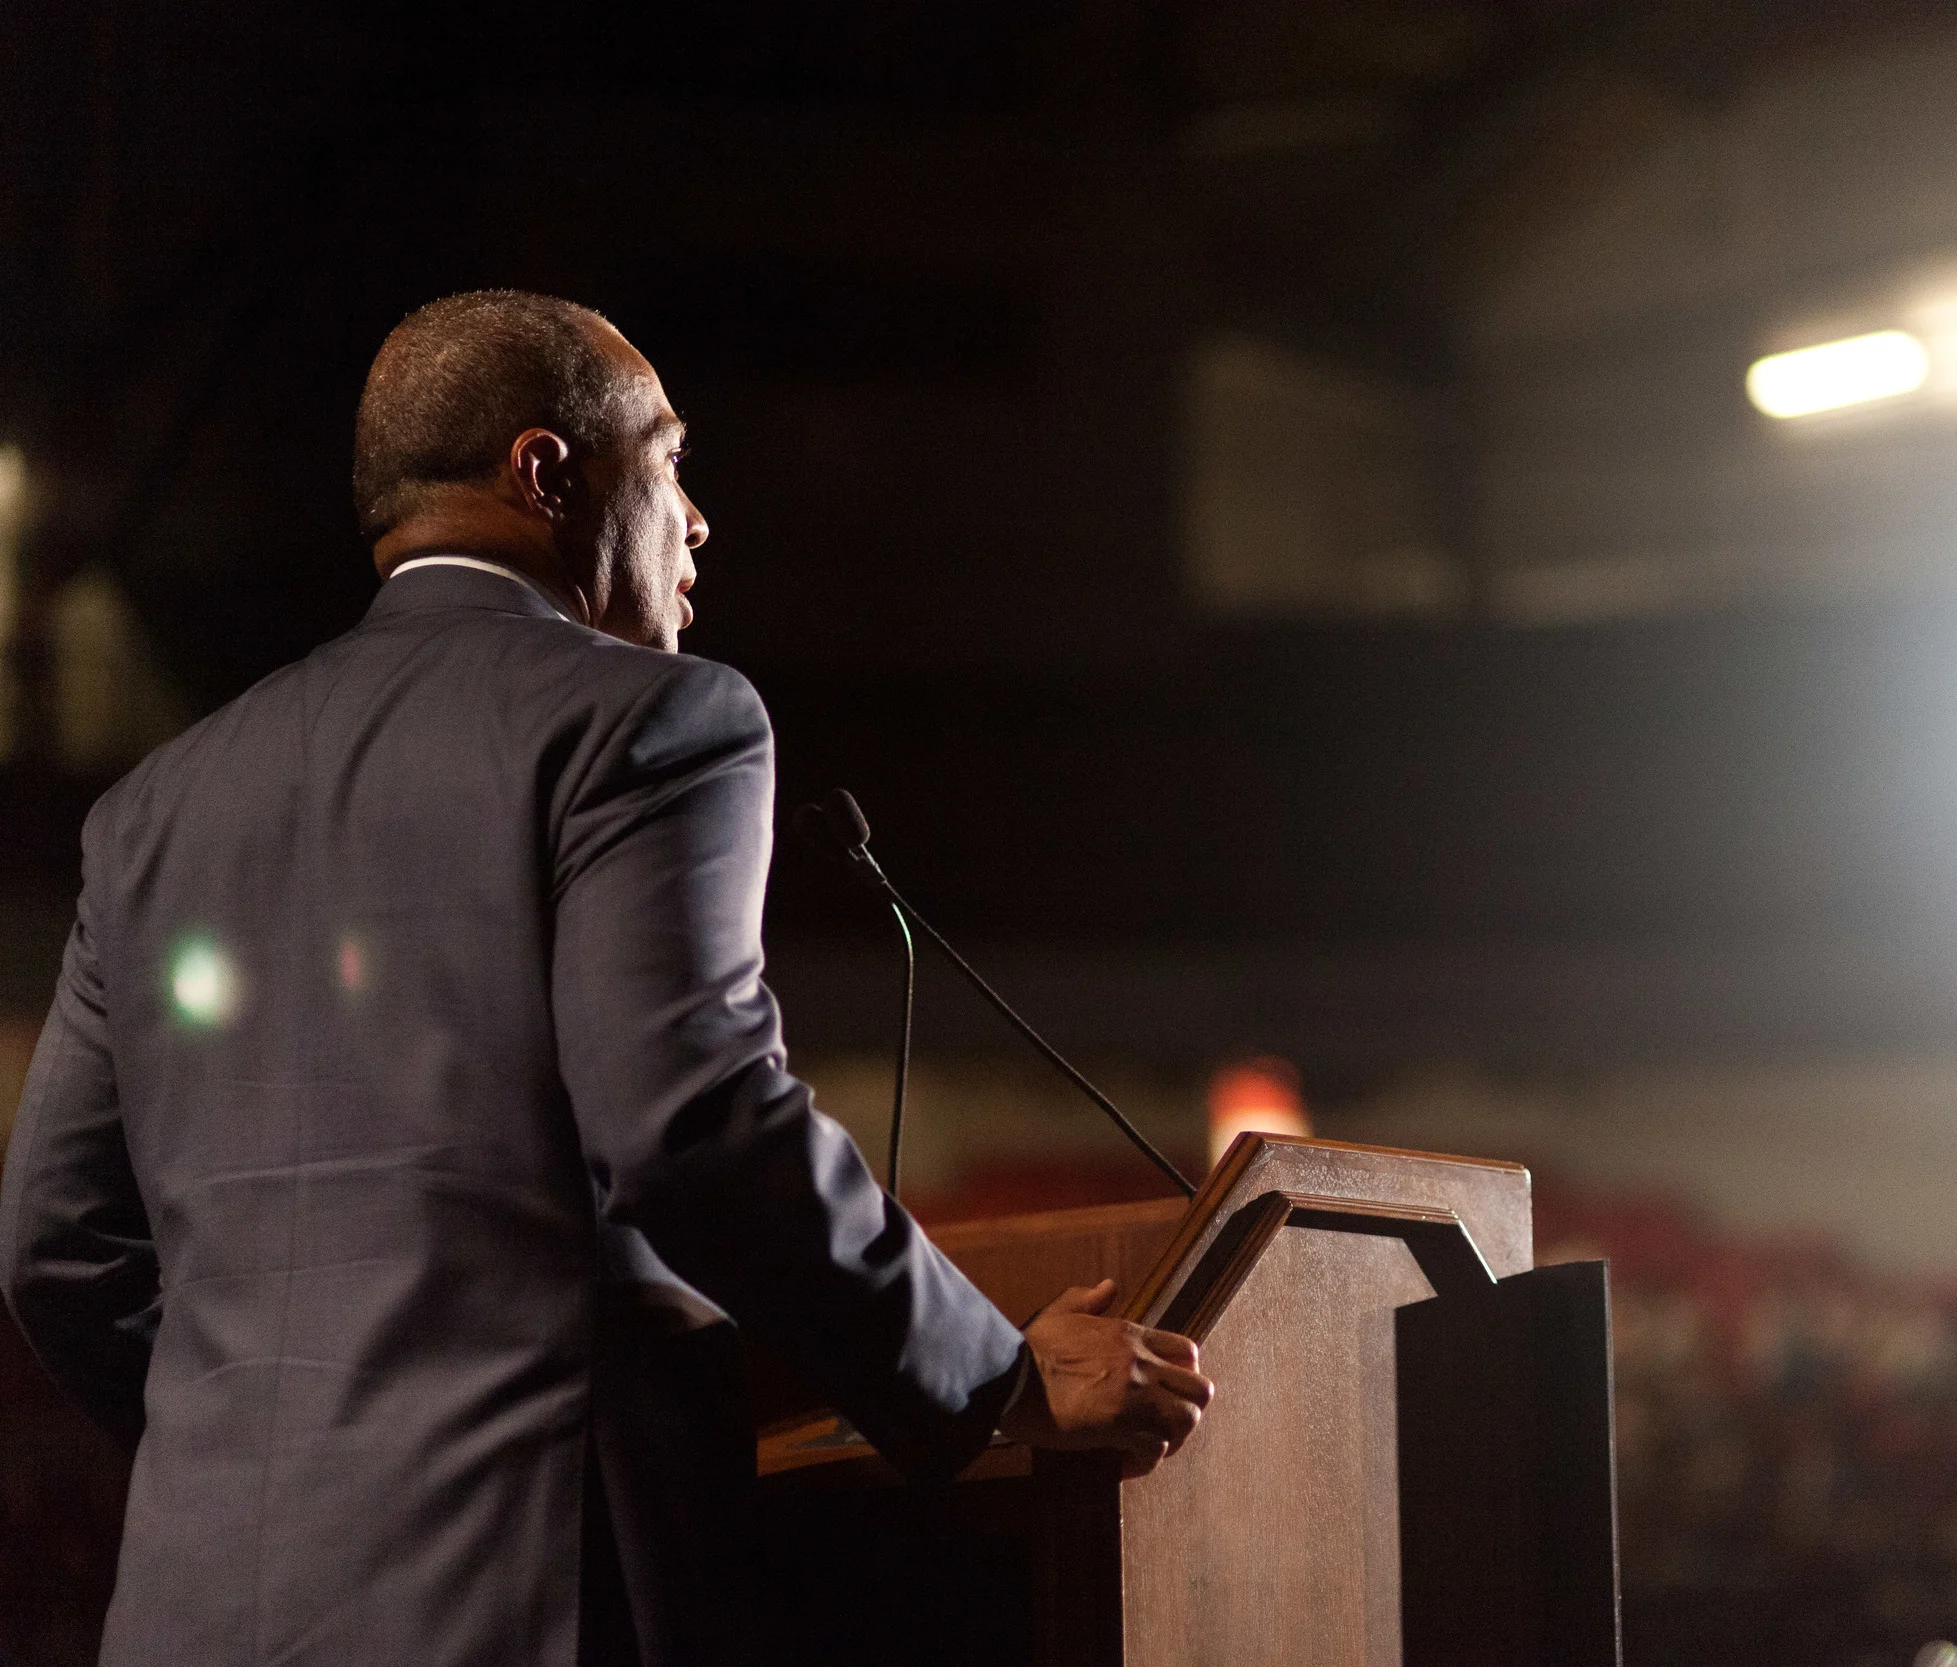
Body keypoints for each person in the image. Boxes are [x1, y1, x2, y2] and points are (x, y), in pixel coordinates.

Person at [0, 290, 1212, 1667]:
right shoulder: (653, 723)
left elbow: (55, 1247)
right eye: (671, 459)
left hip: (193, 1612)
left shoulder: (157, 807)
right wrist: (994, 1374)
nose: (695, 522)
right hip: (517, 1601)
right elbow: (688, 1122)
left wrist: (257, 1447)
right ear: (545, 470)